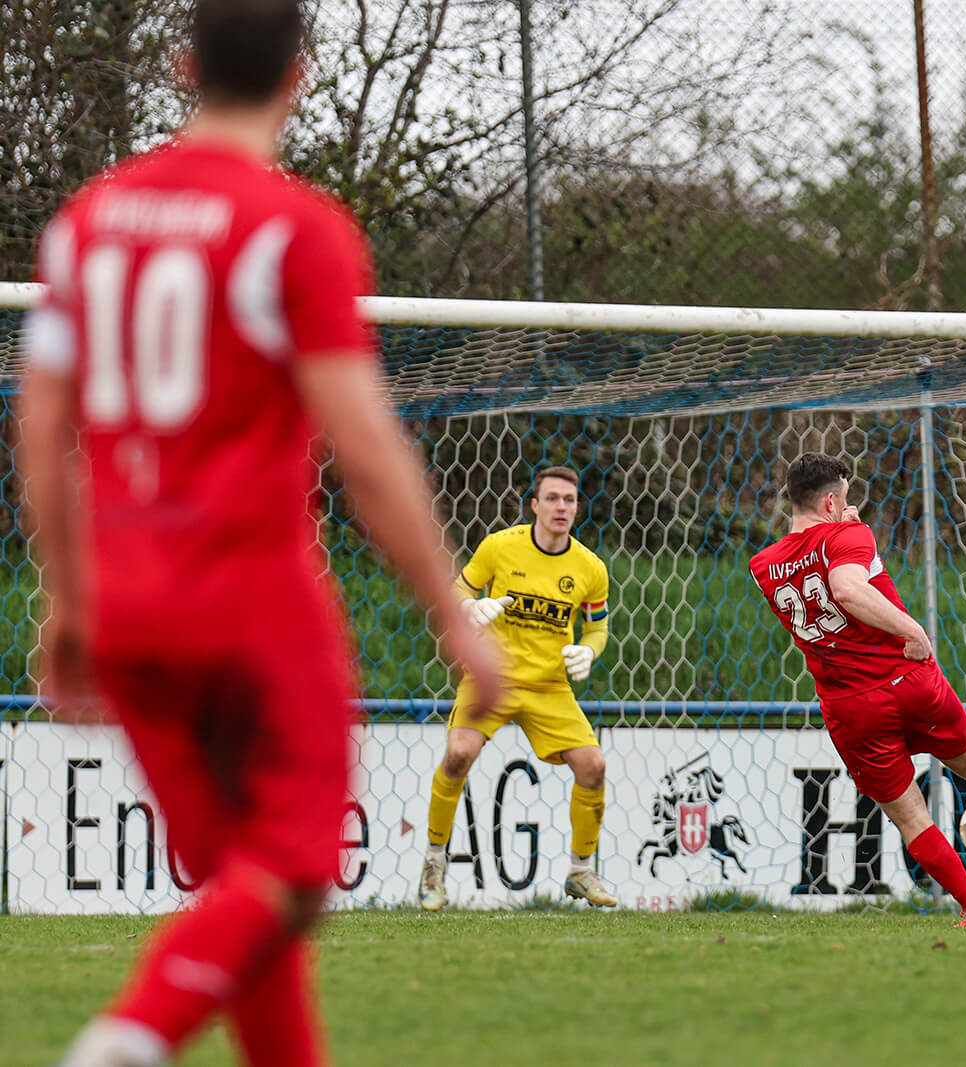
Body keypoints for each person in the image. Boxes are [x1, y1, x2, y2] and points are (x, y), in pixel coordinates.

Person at [18, 2, 504, 1064]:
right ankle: (131, 1036)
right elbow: (366, 450)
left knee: (251, 893)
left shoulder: (89, 221)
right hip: (252, 598)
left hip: (130, 598)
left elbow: (43, 422)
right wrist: (453, 619)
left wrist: (67, 596)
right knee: (291, 867)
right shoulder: (297, 229)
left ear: (184, 66)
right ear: (299, 79)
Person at [749, 453, 966, 928]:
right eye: (844, 498)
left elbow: (815, 562)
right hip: (909, 682)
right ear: (832, 500)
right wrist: (914, 631)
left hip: (851, 708)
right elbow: (846, 587)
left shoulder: (763, 565)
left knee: (912, 818)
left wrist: (842, 531)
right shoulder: (849, 536)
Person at [419, 466, 616, 909]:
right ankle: (433, 866)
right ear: (534, 506)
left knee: (594, 765)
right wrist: (472, 607)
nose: (561, 507)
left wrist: (589, 650)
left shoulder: (590, 568)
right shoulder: (499, 548)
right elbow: (455, 591)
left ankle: (581, 871)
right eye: (552, 499)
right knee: (458, 755)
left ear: (577, 507)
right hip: (491, 676)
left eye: (569, 499)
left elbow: (598, 627)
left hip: (549, 687)